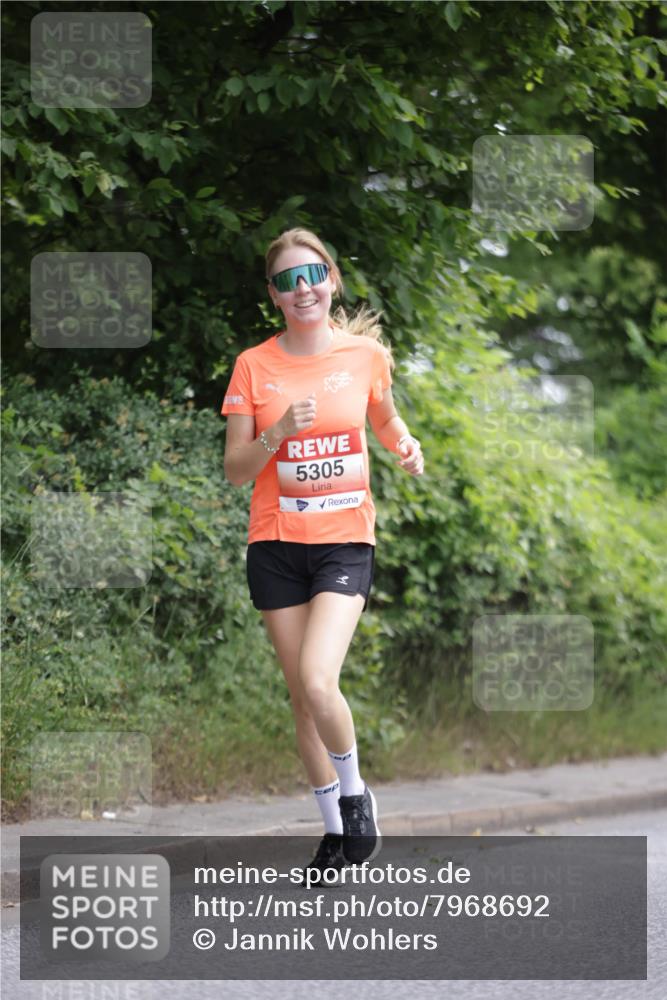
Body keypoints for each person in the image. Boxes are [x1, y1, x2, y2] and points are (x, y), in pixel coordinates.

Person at [221, 228, 424, 885]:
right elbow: (234, 469)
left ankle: (356, 796)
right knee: (300, 702)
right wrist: (278, 432)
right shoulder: (254, 365)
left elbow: (385, 418)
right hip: (276, 545)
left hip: (343, 541)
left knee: (318, 677)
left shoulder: (364, 356)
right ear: (273, 296)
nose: (301, 288)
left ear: (331, 279)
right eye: (286, 280)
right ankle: (336, 839)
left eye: (311, 274)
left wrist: (405, 443)